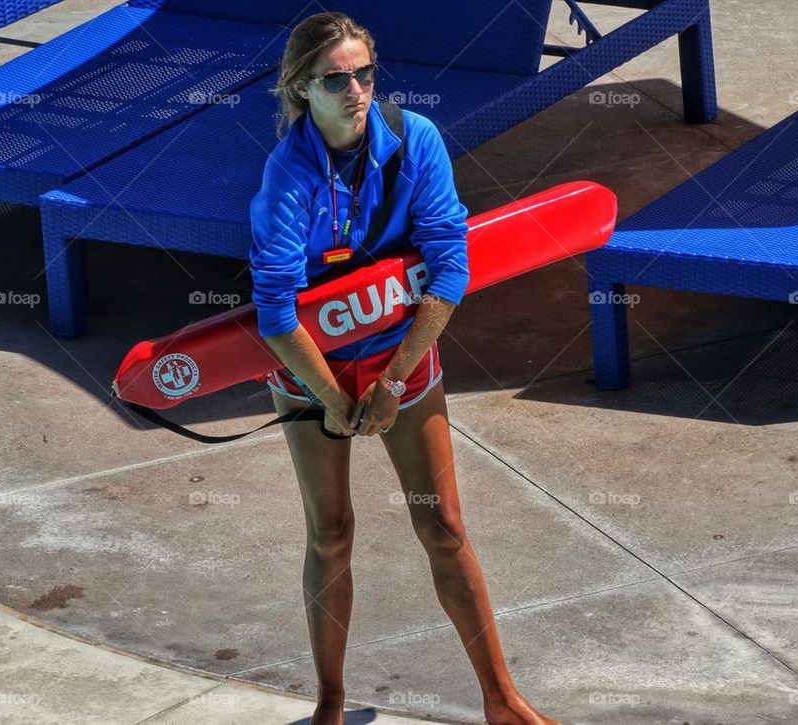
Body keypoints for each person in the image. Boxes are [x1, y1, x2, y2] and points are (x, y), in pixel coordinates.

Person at [249, 12, 561, 725]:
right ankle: (329, 701)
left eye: (364, 73)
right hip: (310, 366)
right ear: (302, 88)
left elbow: (450, 268)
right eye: (336, 79)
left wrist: (391, 382)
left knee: (444, 525)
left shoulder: (415, 138)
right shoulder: (286, 177)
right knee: (330, 531)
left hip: (402, 352)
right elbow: (274, 313)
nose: (355, 89)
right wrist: (332, 398)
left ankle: (502, 699)